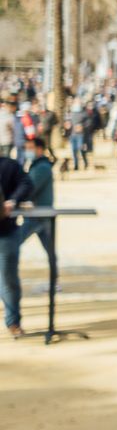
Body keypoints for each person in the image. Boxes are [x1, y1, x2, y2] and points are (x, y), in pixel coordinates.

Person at [1, 142, 38, 336]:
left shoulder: (9, 165)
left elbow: (27, 184)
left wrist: (12, 201)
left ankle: (13, 322)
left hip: (6, 231)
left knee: (8, 279)